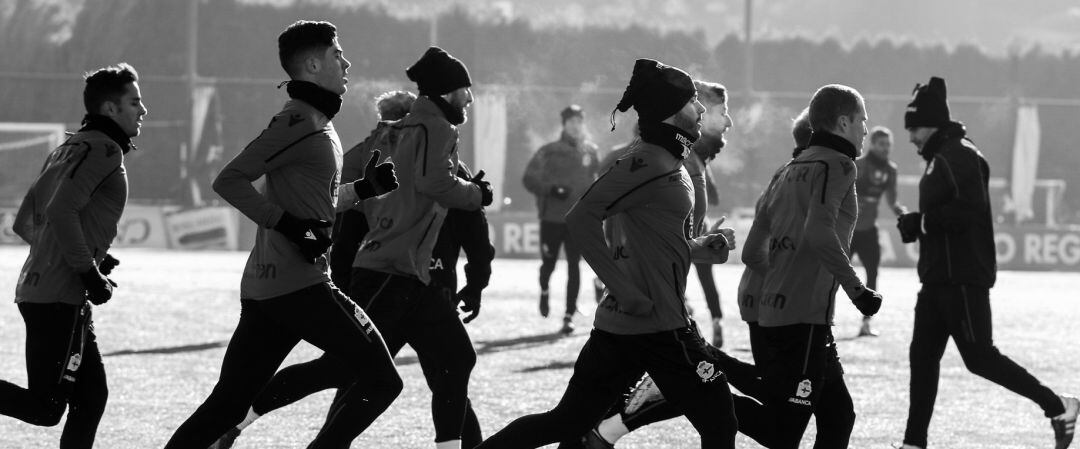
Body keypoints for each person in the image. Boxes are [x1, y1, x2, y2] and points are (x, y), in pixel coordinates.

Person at [212, 62, 493, 447]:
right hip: (389, 273)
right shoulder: (428, 142)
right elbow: (458, 207)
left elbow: (341, 203)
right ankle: (237, 422)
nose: (393, 128)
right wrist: (478, 209)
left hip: (414, 280)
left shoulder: (378, 148)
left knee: (453, 363)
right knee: (350, 371)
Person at [476, 58, 739, 449]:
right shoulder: (647, 158)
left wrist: (702, 248)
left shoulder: (670, 158)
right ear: (670, 111)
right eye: (693, 102)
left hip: (632, 327)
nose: (701, 109)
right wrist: (624, 290)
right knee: (720, 423)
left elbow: (656, 243)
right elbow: (581, 217)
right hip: (658, 325)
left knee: (566, 425)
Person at [164, 20, 403, 449]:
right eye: (337, 54)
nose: (346, 62)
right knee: (383, 380)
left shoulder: (317, 120)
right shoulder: (297, 120)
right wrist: (289, 225)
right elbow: (230, 180)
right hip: (299, 286)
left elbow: (314, 207)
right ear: (312, 64)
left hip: (273, 288)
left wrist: (364, 190)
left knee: (228, 405)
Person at [896, 76, 1078, 449]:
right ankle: (914, 444)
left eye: (914, 128)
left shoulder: (959, 154)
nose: (911, 137)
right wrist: (918, 224)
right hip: (937, 280)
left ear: (932, 124)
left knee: (980, 358)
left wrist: (922, 223)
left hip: (962, 278)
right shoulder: (940, 157)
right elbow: (948, 214)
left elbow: (969, 210)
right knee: (922, 360)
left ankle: (1059, 405)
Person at [0, 63, 144, 449]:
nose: (143, 111)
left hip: (40, 290)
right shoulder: (105, 149)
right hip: (59, 297)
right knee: (46, 408)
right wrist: (87, 271)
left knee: (90, 398)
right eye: (135, 102)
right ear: (110, 109)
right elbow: (62, 213)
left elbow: (25, 223)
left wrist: (88, 256)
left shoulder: (66, 147)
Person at [740, 84, 883, 449]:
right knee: (781, 431)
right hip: (803, 320)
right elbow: (818, 232)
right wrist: (858, 291)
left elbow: (752, 252)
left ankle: (700, 376)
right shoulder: (839, 165)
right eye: (862, 120)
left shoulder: (786, 170)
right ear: (843, 121)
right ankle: (690, 389)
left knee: (838, 416)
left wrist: (782, 279)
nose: (866, 129)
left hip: (777, 312)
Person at [522, 104, 601, 334]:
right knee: (549, 265)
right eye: (572, 121)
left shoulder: (591, 151)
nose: (576, 126)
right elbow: (528, 179)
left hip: (578, 219)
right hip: (552, 218)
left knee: (575, 266)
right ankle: (545, 290)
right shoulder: (548, 151)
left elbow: (598, 181)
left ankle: (568, 315)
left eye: (579, 121)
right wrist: (551, 189)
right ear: (564, 124)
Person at [329, 90, 416, 289]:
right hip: (359, 213)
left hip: (347, 213)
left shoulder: (371, 142)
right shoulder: (393, 143)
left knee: (343, 274)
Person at [687, 80, 732, 348]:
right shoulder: (681, 161)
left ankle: (712, 319)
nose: (729, 123)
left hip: (696, 237)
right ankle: (714, 319)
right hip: (652, 306)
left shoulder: (697, 160)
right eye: (723, 112)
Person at [850, 125, 906, 337]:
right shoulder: (858, 165)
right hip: (850, 230)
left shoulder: (891, 170)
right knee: (834, 275)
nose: (885, 148)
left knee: (872, 274)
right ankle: (824, 319)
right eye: (881, 144)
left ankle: (866, 323)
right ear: (872, 144)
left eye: (888, 145)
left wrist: (902, 213)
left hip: (869, 231)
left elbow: (891, 200)